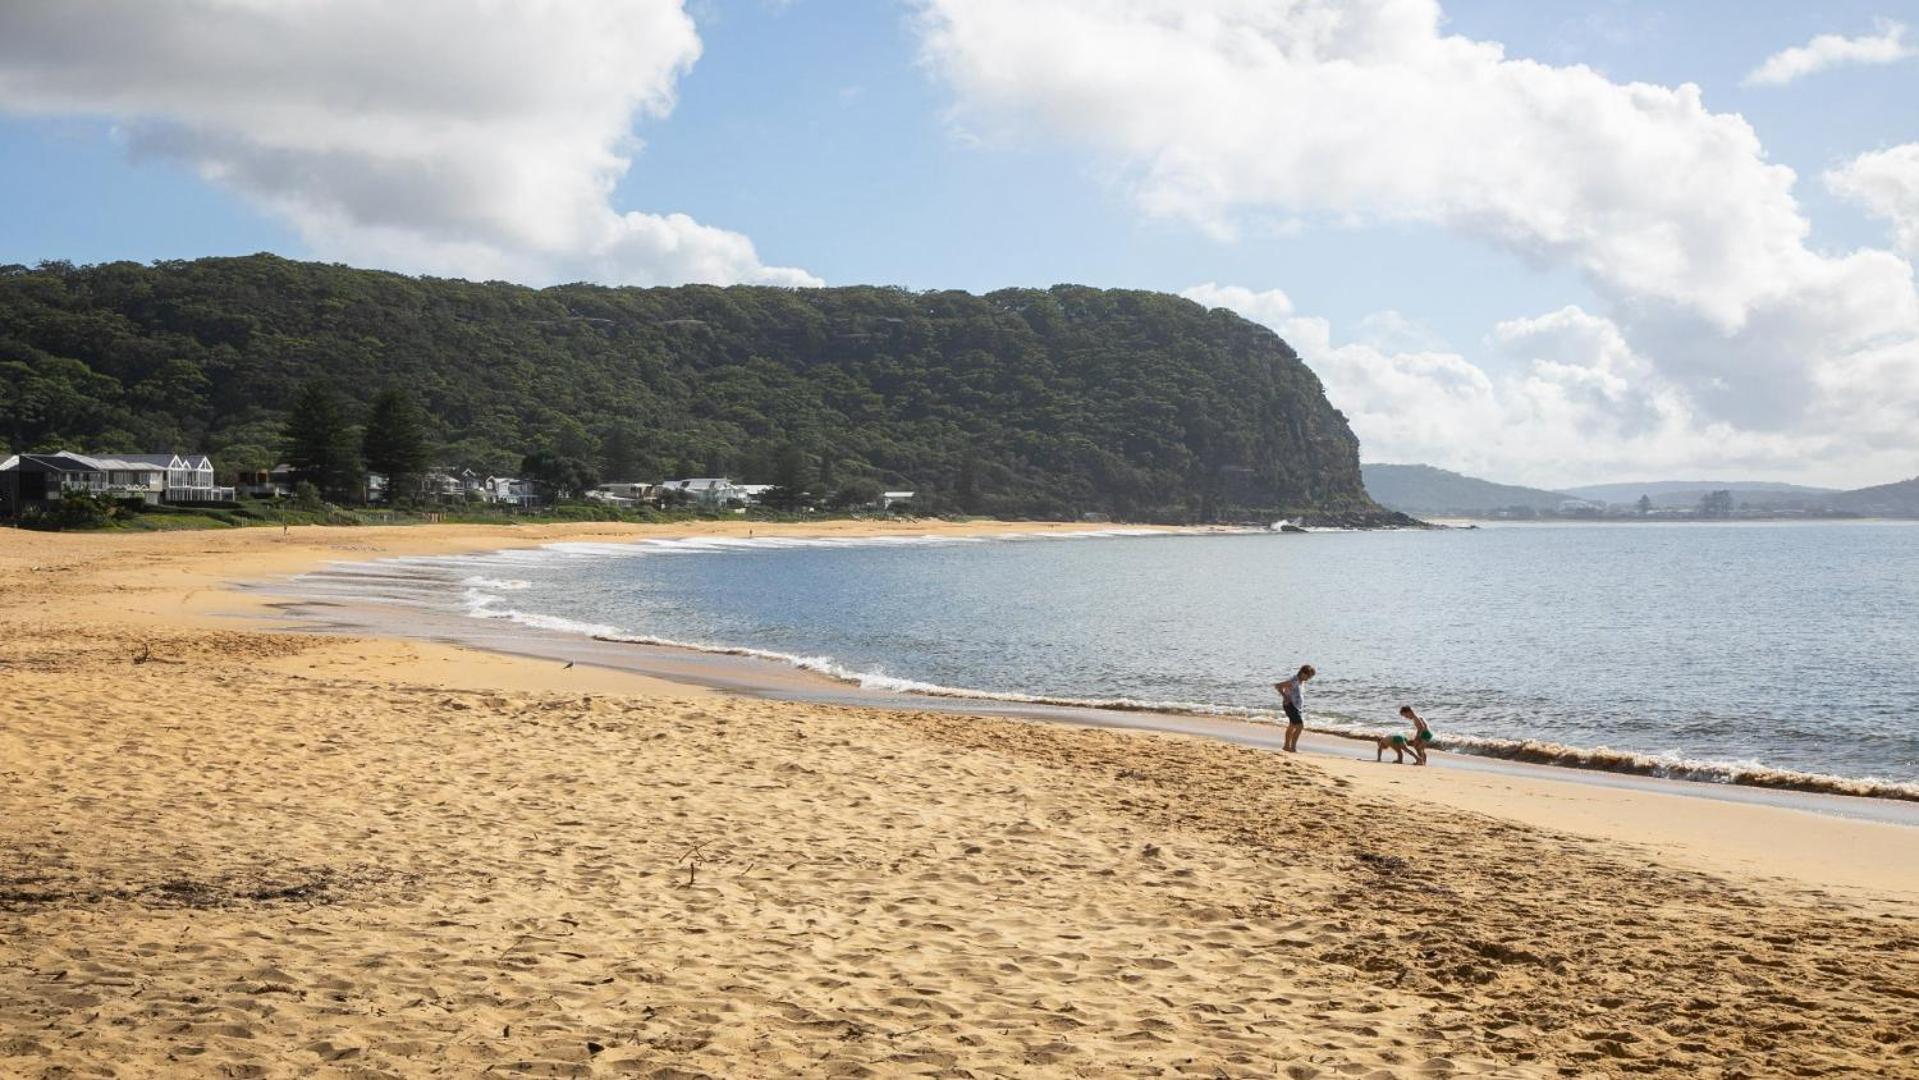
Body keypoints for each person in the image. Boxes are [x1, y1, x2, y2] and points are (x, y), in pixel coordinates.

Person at [1272, 664, 1316, 752]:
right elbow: (1278, 686)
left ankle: (1286, 746)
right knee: (1300, 726)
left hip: (1295, 706)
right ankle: (1293, 748)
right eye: (1309, 676)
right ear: (1303, 673)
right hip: (1290, 705)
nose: (1308, 679)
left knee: (1292, 725)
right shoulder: (1294, 680)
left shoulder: (1300, 681)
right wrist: (1285, 697)